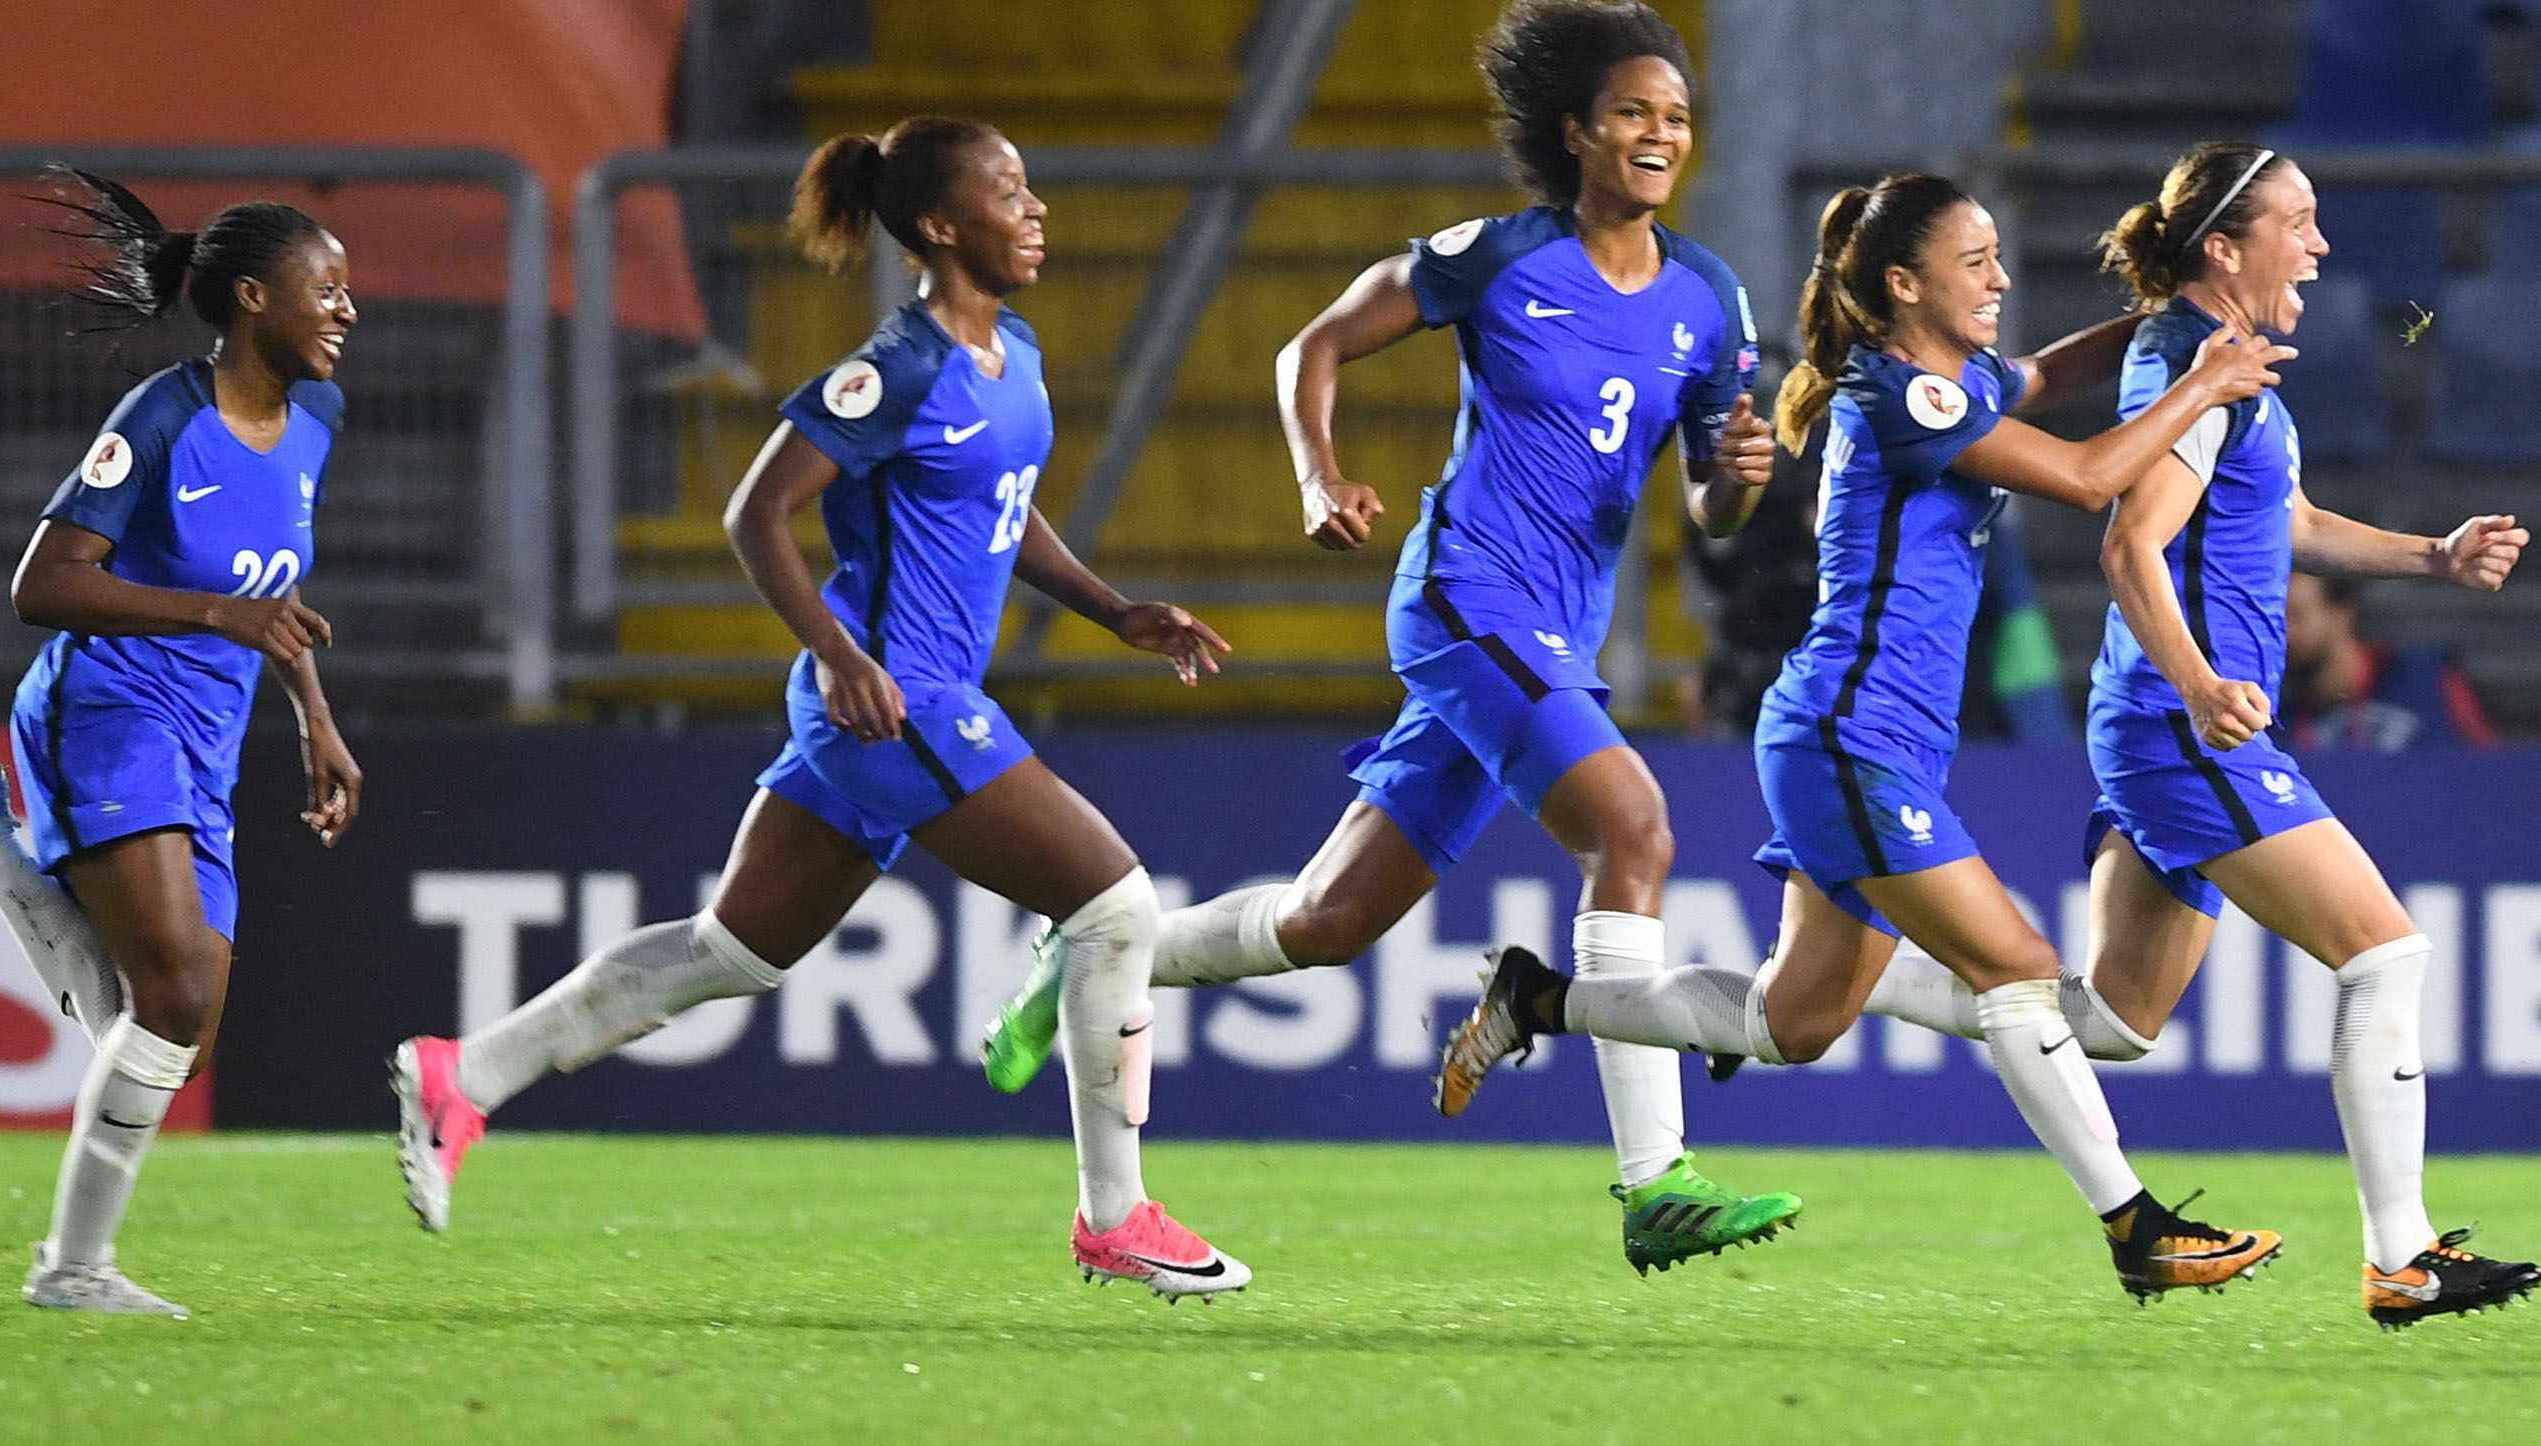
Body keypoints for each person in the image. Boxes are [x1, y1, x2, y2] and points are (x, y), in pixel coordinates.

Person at [980, 0, 1800, 1275]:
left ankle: (1097, 945)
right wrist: (1319, 476)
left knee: (1326, 923)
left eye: (1677, 118)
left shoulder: (1707, 295)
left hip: (1554, 637)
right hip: (1468, 602)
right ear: (1576, 131)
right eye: (1633, 113)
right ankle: (1654, 1184)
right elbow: (1312, 344)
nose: (1659, 135)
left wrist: (1737, 472)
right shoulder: (1496, 259)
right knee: (1633, 828)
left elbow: (1709, 494)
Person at [391, 117, 1250, 1301]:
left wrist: (1112, 610)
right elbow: (757, 512)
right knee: (1114, 908)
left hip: (894, 705)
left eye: (1030, 181)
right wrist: (839, 653)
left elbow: (1000, 503)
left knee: (730, 953)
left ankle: (462, 1074)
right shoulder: (893, 367)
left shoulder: (1015, 349)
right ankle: (1115, 1215)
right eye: (1008, 189)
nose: (1035, 206)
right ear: (941, 227)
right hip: (898, 702)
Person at [1440, 171, 2302, 1304]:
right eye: (1976, 261)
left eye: (1999, 258)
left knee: (1784, 1023)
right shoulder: (1900, 400)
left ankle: (1534, 998)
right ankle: (2135, 1229)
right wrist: (2199, 381)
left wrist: (2160, 314)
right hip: (1849, 739)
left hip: (1863, 741)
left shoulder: (1960, 386)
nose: (2000, 280)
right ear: (1902, 285)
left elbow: (2042, 377)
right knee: (2019, 971)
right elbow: (2092, 476)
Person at [1850, 143, 2538, 1327]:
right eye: (2299, 222)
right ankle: (2400, 1255)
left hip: (2162, 722)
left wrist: (2429, 554)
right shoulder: (2185, 364)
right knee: (2384, 954)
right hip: (2185, 729)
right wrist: (2201, 679)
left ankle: (1856, 979)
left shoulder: (2222, 372)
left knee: (2109, 1023)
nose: (2318, 246)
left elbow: (2292, 521)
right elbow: (2126, 543)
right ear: (2224, 246)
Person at [0, 171, 361, 1318]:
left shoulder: (318, 424)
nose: (347, 311)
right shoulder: (160, 417)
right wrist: (216, 619)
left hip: (209, 731)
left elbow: (270, 599)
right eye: (326, 289)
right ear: (253, 297)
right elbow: (42, 585)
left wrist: (315, 719)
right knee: (174, 998)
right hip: (110, 709)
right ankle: (72, 1273)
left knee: (168, 1038)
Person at [2281, 573, 2497, 750]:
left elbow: (2488, 762)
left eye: (2296, 615)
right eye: (2275, 619)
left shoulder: (2425, 673)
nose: (2285, 633)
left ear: (2343, 613)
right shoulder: (2271, 710)